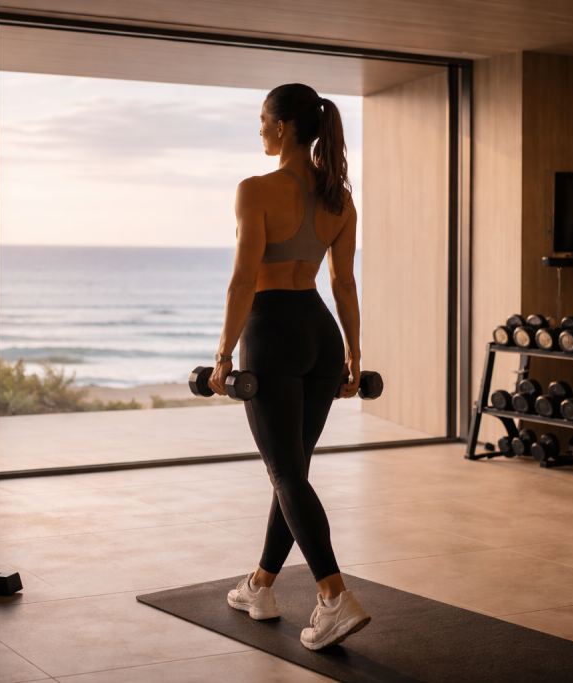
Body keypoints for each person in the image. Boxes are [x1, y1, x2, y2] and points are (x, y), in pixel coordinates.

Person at [209, 83, 369, 650]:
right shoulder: (340, 199)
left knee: (286, 474)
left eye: (262, 121)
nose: (259, 131)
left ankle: (333, 597)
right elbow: (344, 284)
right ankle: (260, 585)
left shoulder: (255, 190)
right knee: (292, 471)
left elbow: (244, 279)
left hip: (272, 334)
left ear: (282, 128)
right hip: (320, 335)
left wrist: (224, 355)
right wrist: (353, 353)